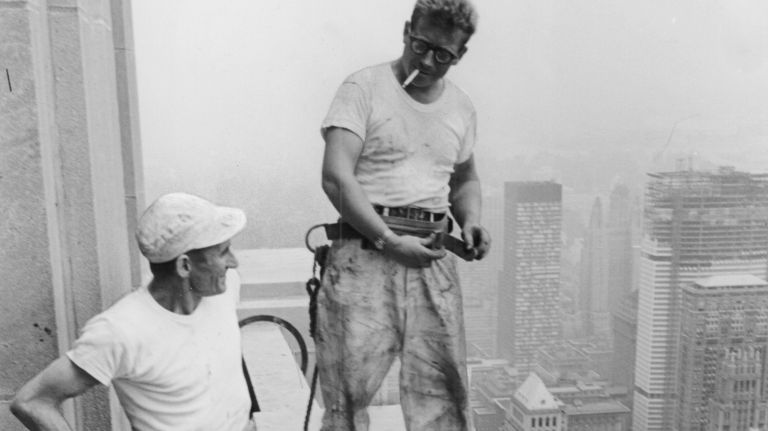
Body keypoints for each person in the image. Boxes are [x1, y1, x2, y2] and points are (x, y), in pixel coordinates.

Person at [317, 0, 490, 429]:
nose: (428, 61)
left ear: (460, 55)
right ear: (406, 30)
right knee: (347, 398)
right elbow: (337, 177)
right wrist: (389, 242)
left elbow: (464, 179)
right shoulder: (363, 88)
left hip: (432, 259)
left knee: (445, 399)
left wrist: (470, 220)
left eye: (444, 54)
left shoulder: (461, 108)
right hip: (364, 255)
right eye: (421, 45)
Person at [11, 193, 256, 431]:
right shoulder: (120, 331)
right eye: (223, 253)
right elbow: (31, 402)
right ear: (184, 266)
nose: (234, 263)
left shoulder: (225, 288)